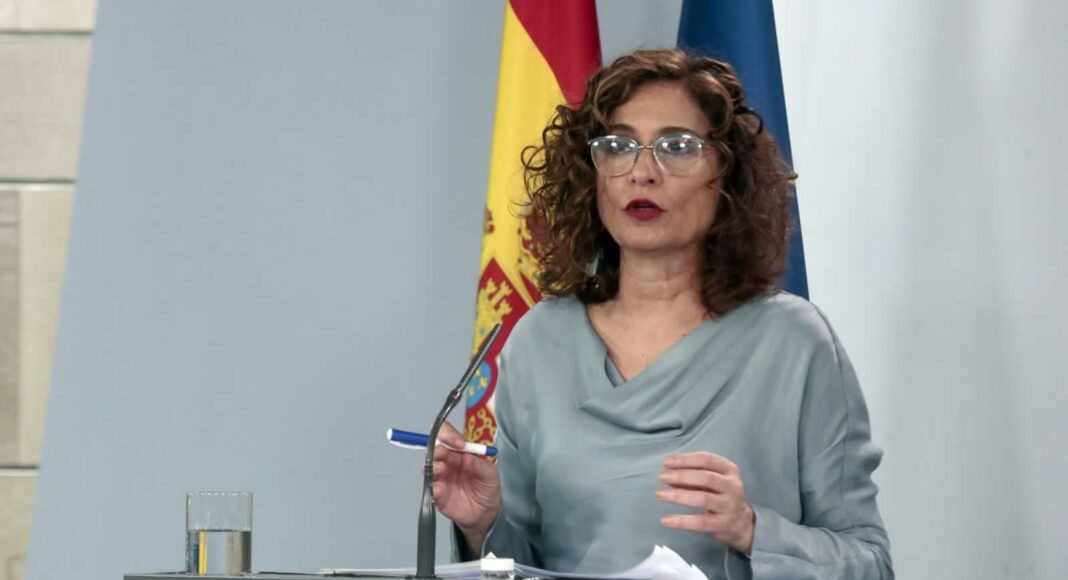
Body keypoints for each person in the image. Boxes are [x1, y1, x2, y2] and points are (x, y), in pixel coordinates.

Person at [432, 49, 893, 579]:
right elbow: (522, 564)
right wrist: (481, 524)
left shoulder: (795, 342)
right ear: (592, 176)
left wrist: (754, 530)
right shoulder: (541, 340)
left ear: (725, 176)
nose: (642, 172)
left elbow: (871, 563)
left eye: (677, 147)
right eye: (618, 147)